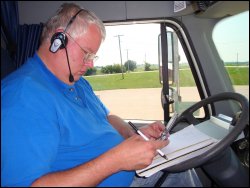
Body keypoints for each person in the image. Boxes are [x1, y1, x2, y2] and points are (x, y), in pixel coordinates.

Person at [1, 3, 202, 187]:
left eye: (93, 56)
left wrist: (134, 135)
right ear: (59, 40)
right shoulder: (22, 97)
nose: (91, 64)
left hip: (129, 175)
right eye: (87, 53)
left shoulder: (78, 83)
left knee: (184, 169)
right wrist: (116, 160)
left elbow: (107, 117)